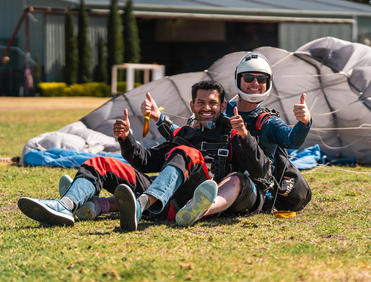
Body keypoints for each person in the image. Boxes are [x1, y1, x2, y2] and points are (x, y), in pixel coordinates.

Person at [18, 80, 270, 231]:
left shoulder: (234, 133)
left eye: (213, 103)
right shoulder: (184, 134)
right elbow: (147, 160)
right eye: (201, 103)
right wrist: (127, 138)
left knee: (186, 153)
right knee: (101, 162)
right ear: (192, 106)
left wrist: (246, 137)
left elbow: (260, 172)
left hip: (198, 200)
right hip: (166, 199)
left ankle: (139, 206)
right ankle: (65, 206)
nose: (207, 108)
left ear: (222, 106)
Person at [143, 52, 312, 226]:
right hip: (213, 179)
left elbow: (292, 141)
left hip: (249, 189)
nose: (255, 83)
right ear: (238, 79)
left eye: (261, 80)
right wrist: (159, 118)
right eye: (248, 77)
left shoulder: (269, 123)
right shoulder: (221, 109)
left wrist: (304, 122)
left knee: (236, 179)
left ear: (267, 83)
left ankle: (201, 210)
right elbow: (190, 135)